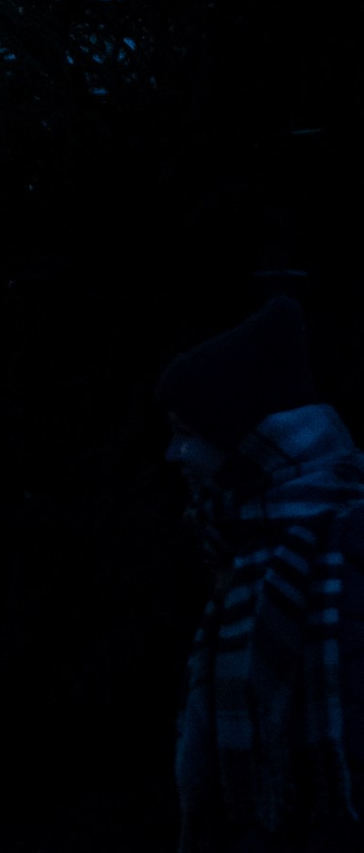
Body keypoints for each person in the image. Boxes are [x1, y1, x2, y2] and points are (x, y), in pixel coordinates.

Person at [164, 292, 364, 847]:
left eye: (186, 434)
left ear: (247, 442)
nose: (172, 454)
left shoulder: (343, 547)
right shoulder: (247, 548)